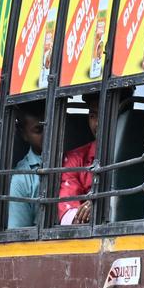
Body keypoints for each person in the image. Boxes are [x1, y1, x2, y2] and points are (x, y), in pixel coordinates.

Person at [58, 94, 100, 224]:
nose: (97, 123)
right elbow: (68, 215)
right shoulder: (76, 159)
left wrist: (101, 203)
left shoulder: (140, 155)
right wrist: (88, 213)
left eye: (106, 114)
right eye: (93, 116)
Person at [6, 102, 45, 228]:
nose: (47, 135)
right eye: (39, 130)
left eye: (51, 127)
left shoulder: (79, 158)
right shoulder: (22, 179)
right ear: (24, 134)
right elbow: (18, 236)